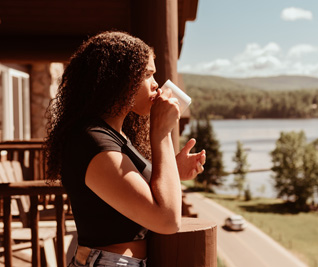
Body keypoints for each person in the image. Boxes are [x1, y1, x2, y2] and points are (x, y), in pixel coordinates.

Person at [44, 31, 206, 267]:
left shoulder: (114, 135)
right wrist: (160, 133)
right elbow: (168, 221)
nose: (156, 85)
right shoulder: (92, 142)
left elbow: (138, 197)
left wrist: (174, 172)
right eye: (148, 74)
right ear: (119, 78)